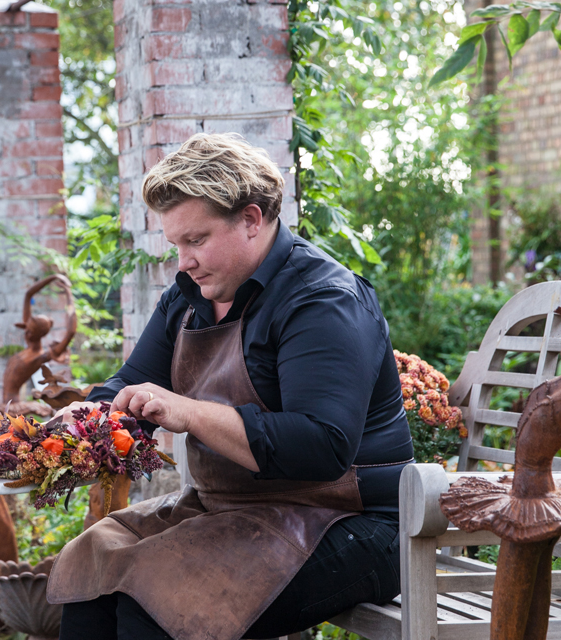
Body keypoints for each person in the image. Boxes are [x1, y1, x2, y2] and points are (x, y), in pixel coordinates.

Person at [46, 133, 415, 640]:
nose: (183, 261)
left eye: (196, 240)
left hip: (351, 521)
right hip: (230, 511)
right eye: (177, 244)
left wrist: (189, 412)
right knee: (92, 574)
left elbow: (322, 446)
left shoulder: (322, 300)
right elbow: (131, 383)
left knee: (158, 603)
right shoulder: (189, 298)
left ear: (251, 218)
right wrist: (86, 418)